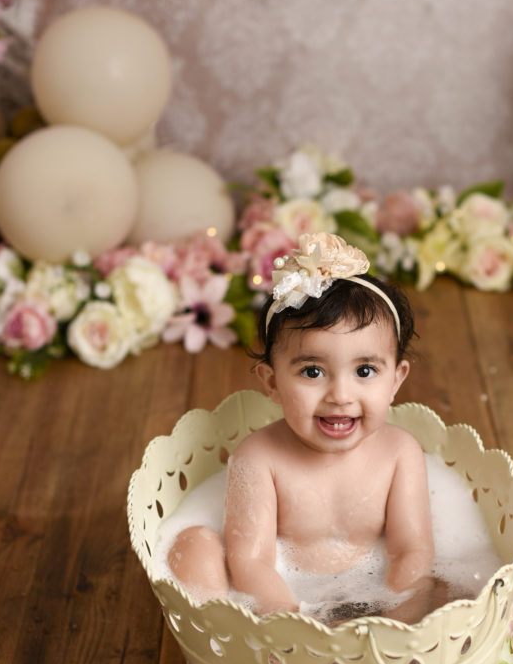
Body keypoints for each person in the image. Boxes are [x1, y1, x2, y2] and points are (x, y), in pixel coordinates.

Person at [167, 232, 435, 623]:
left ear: (396, 379)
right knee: (193, 548)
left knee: (428, 585)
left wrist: (386, 617)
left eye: (365, 371)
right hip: (283, 604)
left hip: (372, 599)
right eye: (313, 371)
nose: (340, 395)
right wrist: (296, 626)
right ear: (272, 382)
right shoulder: (259, 457)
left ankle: (387, 654)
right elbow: (252, 562)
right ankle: (235, 653)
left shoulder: (400, 452)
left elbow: (411, 549)